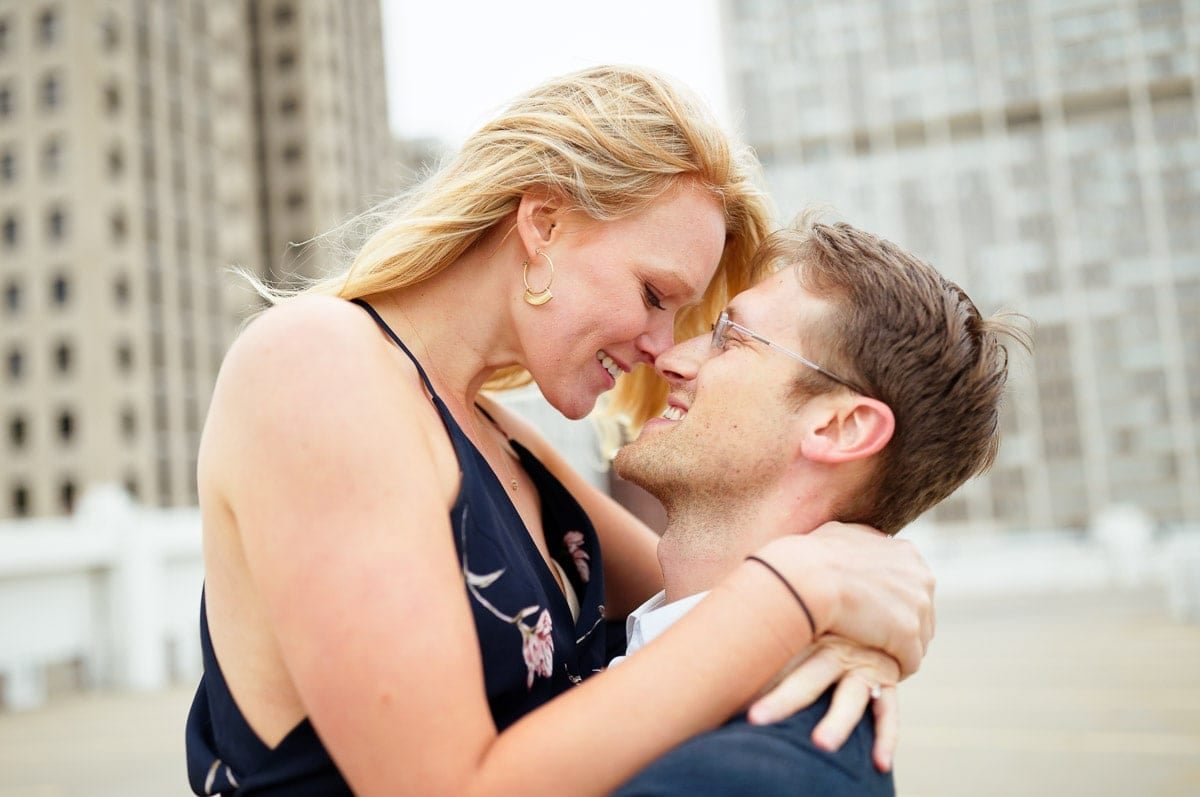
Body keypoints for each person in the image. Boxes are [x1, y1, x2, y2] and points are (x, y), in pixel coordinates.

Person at [185, 66, 936, 796]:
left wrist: (854, 621)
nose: (662, 346)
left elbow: (707, 591)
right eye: (653, 294)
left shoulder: (499, 438)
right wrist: (804, 591)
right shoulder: (316, 364)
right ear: (543, 224)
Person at [609, 217, 1030, 795]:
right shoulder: (594, 619)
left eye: (731, 337)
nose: (671, 358)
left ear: (840, 428)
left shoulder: (755, 773)